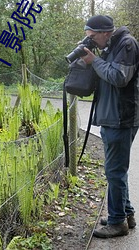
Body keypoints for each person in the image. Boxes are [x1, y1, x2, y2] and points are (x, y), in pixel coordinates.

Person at [81, 15, 139, 238]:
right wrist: (91, 60)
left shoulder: (127, 44)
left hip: (121, 118)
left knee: (114, 171)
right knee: (116, 171)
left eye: (93, 37)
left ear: (105, 32)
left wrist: (94, 61)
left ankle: (117, 223)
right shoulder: (110, 46)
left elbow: (118, 77)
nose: (92, 41)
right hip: (111, 117)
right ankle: (126, 214)